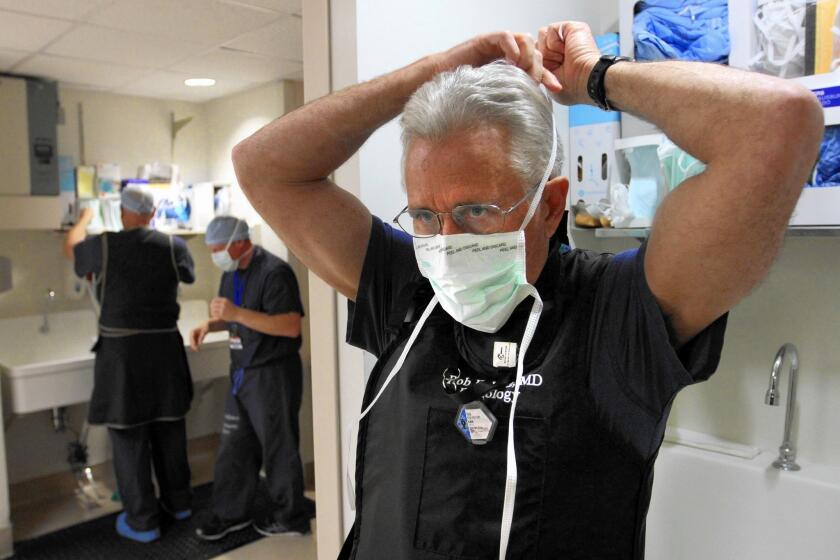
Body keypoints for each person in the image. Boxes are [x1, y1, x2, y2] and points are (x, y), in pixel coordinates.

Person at [229, 21, 823, 560]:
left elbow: (779, 123)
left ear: (550, 206)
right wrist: (430, 72)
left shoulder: (618, 315)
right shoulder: (406, 286)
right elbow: (262, 165)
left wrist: (596, 77)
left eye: (478, 211)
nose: (447, 240)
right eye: (426, 216)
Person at [64, 184, 196, 543]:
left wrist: (84, 219)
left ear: (122, 212)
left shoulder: (104, 245)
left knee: (129, 436)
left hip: (123, 358)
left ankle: (143, 522)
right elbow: (189, 276)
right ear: (153, 214)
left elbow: (71, 249)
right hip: (165, 353)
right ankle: (180, 503)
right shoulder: (174, 247)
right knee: (170, 430)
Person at [190, 216, 311, 540]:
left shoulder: (274, 272)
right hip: (242, 371)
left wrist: (234, 315)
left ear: (239, 241)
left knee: (278, 447)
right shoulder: (231, 274)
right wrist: (210, 325)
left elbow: (289, 326)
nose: (214, 252)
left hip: (272, 373)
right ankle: (232, 513)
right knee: (234, 446)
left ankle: (291, 516)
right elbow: (233, 315)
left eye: (218, 246)